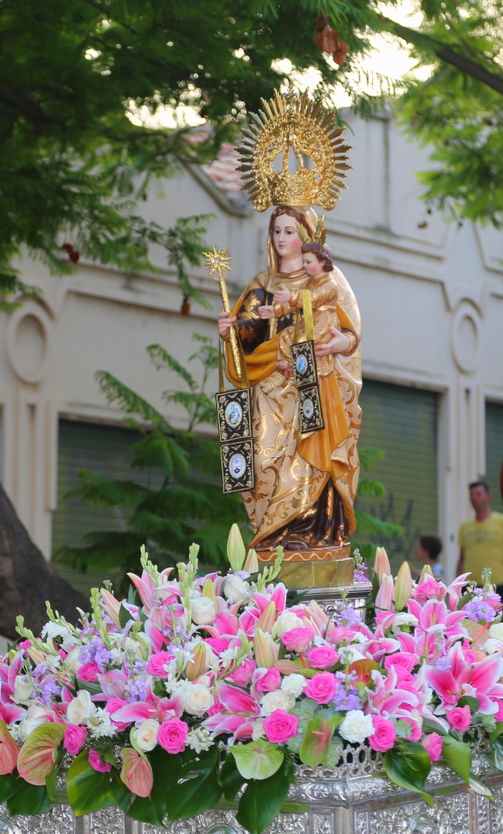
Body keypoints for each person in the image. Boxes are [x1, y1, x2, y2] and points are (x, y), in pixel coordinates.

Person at [218, 205, 362, 552]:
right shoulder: (261, 285)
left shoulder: (328, 282)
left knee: (314, 456)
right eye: (276, 231)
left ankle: (312, 533)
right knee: (264, 459)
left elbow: (351, 335)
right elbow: (247, 339)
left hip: (315, 386)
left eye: (290, 232)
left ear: (306, 237)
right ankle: (271, 536)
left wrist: (338, 344)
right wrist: (230, 333)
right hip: (270, 391)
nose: (281, 238)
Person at [457, 480, 503, 594]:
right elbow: (461, 559)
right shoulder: (465, 527)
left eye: (478, 494)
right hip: (471, 586)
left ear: (488, 497)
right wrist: (458, 585)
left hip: (498, 584)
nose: (474, 498)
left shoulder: (500, 521)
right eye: (471, 495)